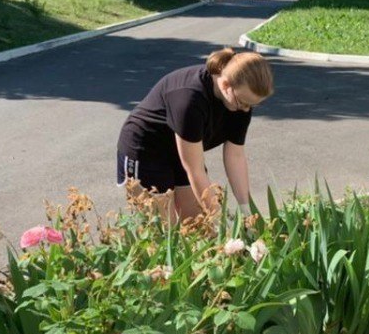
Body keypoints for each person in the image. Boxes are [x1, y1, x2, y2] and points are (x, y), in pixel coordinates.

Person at [117, 47, 273, 221]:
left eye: (252, 105)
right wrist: (221, 221)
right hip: (146, 150)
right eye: (243, 103)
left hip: (182, 150)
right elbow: (195, 170)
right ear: (225, 84)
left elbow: (235, 156)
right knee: (163, 230)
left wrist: (247, 211)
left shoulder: (241, 101)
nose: (246, 109)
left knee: (197, 224)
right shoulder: (189, 99)